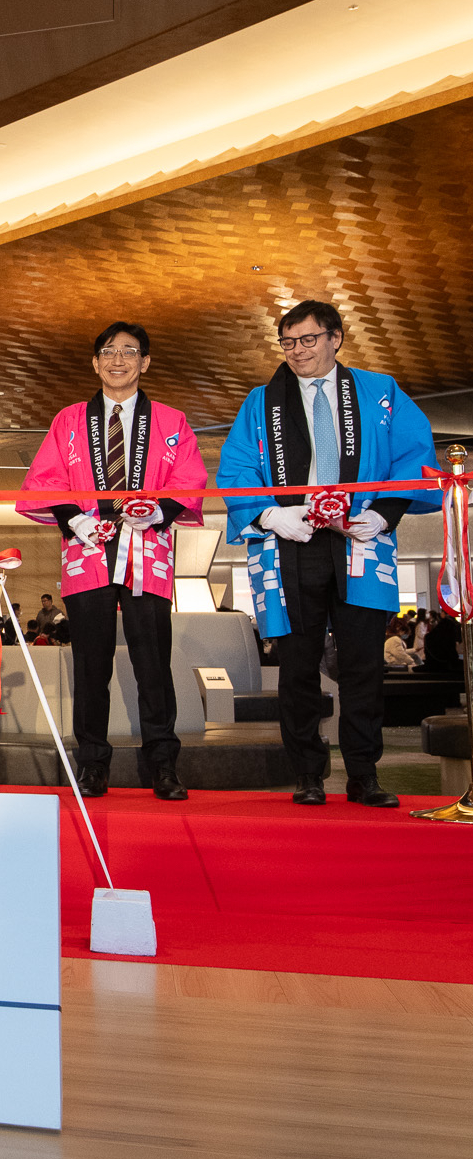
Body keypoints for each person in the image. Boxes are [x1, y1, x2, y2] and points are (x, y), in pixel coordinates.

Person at [219, 299, 438, 807]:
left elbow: (413, 454)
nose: (298, 351)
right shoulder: (261, 401)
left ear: (335, 338)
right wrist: (270, 514)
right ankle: (307, 773)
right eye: (288, 342)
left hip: (361, 538)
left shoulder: (379, 391)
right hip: (291, 543)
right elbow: (237, 465)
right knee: (296, 665)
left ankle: (364, 773)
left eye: (308, 339)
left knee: (363, 663)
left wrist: (384, 513)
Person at [18, 323, 208, 801]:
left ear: (145, 362)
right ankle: (92, 764)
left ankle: (163, 764)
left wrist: (157, 512)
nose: (118, 359)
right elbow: (47, 479)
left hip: (148, 548)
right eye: (108, 351)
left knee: (153, 662)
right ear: (95, 362)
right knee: (90, 664)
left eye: (129, 351)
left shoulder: (170, 420)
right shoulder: (69, 420)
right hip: (87, 549)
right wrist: (75, 520)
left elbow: (188, 478)